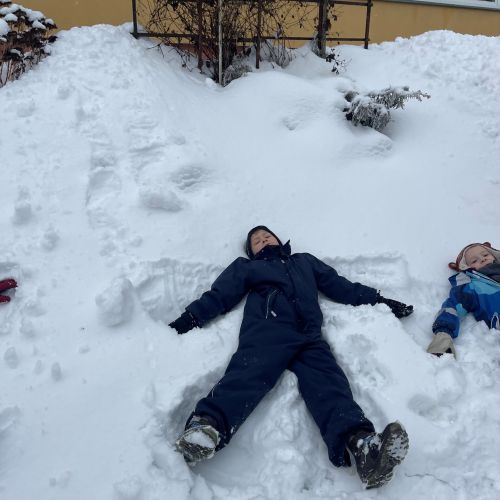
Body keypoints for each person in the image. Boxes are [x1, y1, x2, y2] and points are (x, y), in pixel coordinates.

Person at [169, 226, 413, 489]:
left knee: (330, 384)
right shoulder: (248, 267)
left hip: (309, 336)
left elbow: (340, 285)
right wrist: (190, 318)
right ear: (251, 252)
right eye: (256, 241)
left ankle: (364, 448)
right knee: (247, 375)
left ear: (278, 240)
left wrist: (380, 301)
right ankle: (205, 428)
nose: (263, 240)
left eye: (267, 236)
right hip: (268, 330)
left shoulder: (304, 261)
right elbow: (220, 294)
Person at [427, 242, 500, 358]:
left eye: (485, 255)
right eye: (474, 261)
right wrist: (443, 334)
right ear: (467, 267)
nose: (482, 259)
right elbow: (453, 307)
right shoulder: (472, 287)